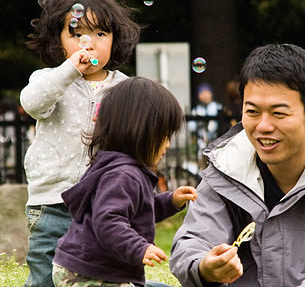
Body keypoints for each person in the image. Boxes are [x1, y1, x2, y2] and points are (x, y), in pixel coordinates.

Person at [170, 43, 305, 287]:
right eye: (252, 111)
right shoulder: (225, 168)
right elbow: (193, 243)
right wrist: (204, 266)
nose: (263, 126)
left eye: (279, 113)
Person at [20, 0, 141, 287]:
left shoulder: (124, 88)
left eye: (100, 33)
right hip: (51, 202)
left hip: (100, 207)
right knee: (44, 277)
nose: (89, 43)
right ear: (57, 40)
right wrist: (70, 69)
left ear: (115, 39)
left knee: (97, 277)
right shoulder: (50, 79)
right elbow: (33, 104)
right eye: (77, 34)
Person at [52, 76, 197, 287]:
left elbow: (139, 210)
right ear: (142, 132)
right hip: (89, 275)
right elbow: (108, 221)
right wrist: (140, 248)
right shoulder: (123, 174)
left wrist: (171, 201)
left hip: (90, 270)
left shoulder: (123, 169)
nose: (167, 144)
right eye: (165, 135)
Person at [188, 83, 222, 164]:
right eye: (202, 93)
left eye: (206, 92)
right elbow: (191, 127)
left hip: (216, 140)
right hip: (201, 141)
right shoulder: (197, 109)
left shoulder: (217, 107)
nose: (204, 95)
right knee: (202, 161)